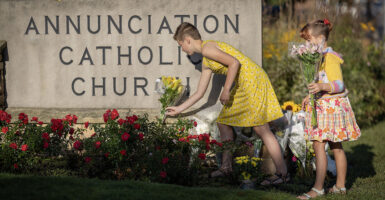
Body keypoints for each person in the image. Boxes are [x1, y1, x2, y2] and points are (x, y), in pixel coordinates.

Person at [166, 22, 289, 184]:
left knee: (261, 128)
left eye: (181, 45)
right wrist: (178, 109)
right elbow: (199, 93)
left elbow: (234, 63)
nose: (183, 50)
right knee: (223, 122)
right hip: (244, 84)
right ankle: (226, 167)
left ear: (188, 40)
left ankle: (282, 174)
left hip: (252, 80)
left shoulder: (208, 48)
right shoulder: (206, 60)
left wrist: (225, 91)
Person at [297, 19, 361, 199]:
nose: (305, 45)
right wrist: (310, 95)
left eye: (308, 41)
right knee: (335, 146)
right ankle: (340, 186)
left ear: (320, 38)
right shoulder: (321, 57)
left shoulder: (330, 57)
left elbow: (339, 84)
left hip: (330, 108)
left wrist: (322, 87)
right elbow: (321, 82)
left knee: (320, 146)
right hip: (326, 105)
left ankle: (318, 188)